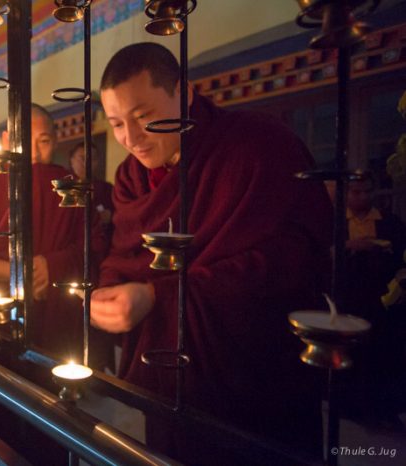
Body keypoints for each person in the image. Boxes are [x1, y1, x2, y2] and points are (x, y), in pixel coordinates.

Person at [90, 42, 333, 463]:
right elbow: (122, 257)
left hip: (256, 380)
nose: (131, 139)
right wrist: (110, 291)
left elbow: (292, 262)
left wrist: (159, 296)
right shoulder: (130, 176)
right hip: (171, 375)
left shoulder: (258, 145)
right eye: (115, 124)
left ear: (184, 93)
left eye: (144, 117)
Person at [0, 104, 106, 361]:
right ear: (6, 140)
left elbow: (96, 248)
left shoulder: (73, 187)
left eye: (44, 141)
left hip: (58, 319)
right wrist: (24, 274)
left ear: (56, 141)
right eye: (24, 141)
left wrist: (53, 265)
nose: (34, 153)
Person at [344, 174, 406, 430]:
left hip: (381, 295)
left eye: (366, 192)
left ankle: (386, 409)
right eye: (356, 192)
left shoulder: (389, 222)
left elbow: (401, 251)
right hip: (349, 295)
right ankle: (356, 408)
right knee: (354, 352)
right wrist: (349, 245)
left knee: (385, 352)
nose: (362, 197)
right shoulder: (337, 222)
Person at [69, 142, 115, 246]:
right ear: (72, 160)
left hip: (98, 245)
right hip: (71, 245)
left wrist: (110, 216)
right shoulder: (64, 187)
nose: (87, 163)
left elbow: (118, 215)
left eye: (92, 159)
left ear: (97, 162)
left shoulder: (106, 188)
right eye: (82, 158)